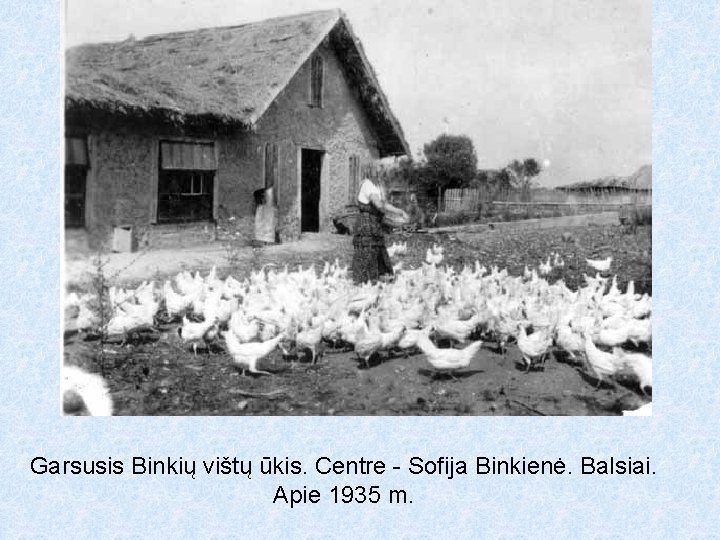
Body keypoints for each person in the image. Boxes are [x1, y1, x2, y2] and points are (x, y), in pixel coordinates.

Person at [352, 167, 409, 284]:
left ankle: (378, 280)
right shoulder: (367, 184)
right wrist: (393, 217)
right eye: (376, 171)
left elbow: (383, 204)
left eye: (379, 171)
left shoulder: (376, 186)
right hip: (366, 226)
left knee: (378, 252)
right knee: (367, 254)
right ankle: (365, 282)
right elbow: (378, 204)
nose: (378, 174)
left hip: (374, 226)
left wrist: (399, 212)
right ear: (369, 172)